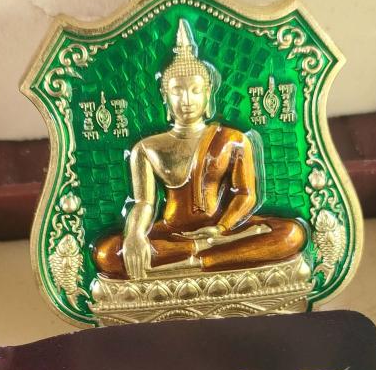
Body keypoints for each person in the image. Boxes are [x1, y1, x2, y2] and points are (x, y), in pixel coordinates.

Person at [92, 19, 307, 280]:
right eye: (177, 91)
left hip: (222, 231)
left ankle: (197, 262)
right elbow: (144, 203)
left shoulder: (233, 139)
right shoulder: (146, 148)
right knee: (107, 253)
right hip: (173, 235)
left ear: (208, 94)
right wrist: (135, 234)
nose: (186, 100)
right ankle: (202, 254)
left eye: (195, 90)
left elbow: (246, 194)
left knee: (291, 234)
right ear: (165, 96)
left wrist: (221, 228)